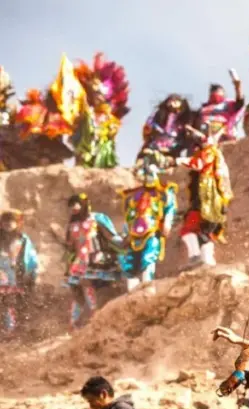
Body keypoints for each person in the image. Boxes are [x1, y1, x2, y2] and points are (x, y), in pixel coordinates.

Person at [118, 151, 177, 292]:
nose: (149, 176)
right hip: (134, 232)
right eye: (146, 172)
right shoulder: (135, 194)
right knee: (128, 261)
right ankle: (132, 289)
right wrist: (126, 230)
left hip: (152, 230)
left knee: (149, 256)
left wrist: (168, 222)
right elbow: (128, 214)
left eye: (152, 171)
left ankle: (148, 286)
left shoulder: (163, 192)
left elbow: (170, 208)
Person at [63, 193, 123, 328]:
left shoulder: (96, 219)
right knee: (77, 293)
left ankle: (96, 316)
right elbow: (69, 248)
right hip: (78, 261)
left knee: (89, 284)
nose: (74, 207)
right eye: (71, 205)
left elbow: (110, 236)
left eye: (76, 204)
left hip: (96, 259)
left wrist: (124, 244)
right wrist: (67, 267)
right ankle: (73, 323)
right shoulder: (72, 225)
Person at [177, 125, 233, 267]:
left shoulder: (209, 154)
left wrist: (178, 161)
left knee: (191, 229)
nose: (196, 150)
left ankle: (196, 256)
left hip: (207, 200)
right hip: (208, 201)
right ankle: (207, 261)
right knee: (203, 232)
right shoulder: (215, 158)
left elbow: (198, 164)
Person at [0, 210, 38, 334]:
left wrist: (32, 272)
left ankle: (11, 329)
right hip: (2, 272)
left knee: (12, 302)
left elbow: (31, 257)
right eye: (5, 221)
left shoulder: (23, 238)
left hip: (16, 275)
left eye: (11, 221)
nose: (8, 224)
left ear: (17, 223)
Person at [195, 70, 245, 142]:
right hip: (206, 138)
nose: (216, 93)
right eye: (213, 91)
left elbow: (239, 103)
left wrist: (238, 87)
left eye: (218, 91)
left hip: (224, 135)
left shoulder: (228, 104)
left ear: (223, 93)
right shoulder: (203, 109)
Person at [140, 94, 194, 161]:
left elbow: (184, 133)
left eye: (175, 101)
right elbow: (150, 123)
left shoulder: (183, 118)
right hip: (157, 142)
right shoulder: (159, 113)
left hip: (172, 146)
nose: (172, 103)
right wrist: (156, 128)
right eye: (170, 101)